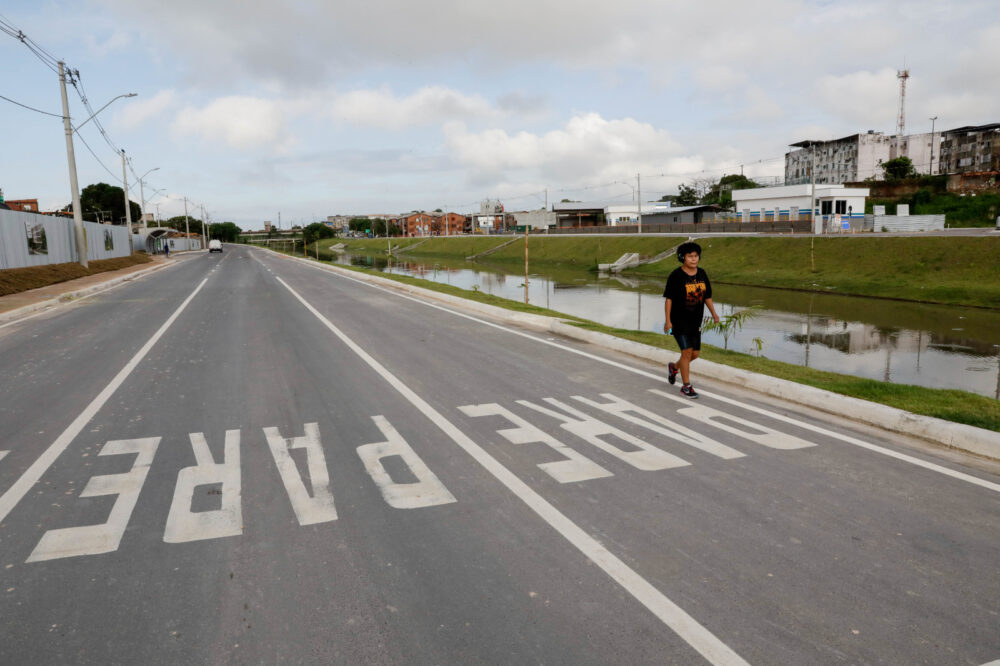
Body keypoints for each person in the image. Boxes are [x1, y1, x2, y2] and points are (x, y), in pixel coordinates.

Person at [663, 241, 719, 399]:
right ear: (683, 258)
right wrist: (668, 321)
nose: (694, 259)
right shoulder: (676, 275)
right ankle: (686, 386)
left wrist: (714, 313)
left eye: (696, 256)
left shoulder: (702, 273)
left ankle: (674, 368)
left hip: (696, 321)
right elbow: (669, 299)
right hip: (679, 320)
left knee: (694, 354)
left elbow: (707, 296)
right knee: (686, 352)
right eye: (690, 256)